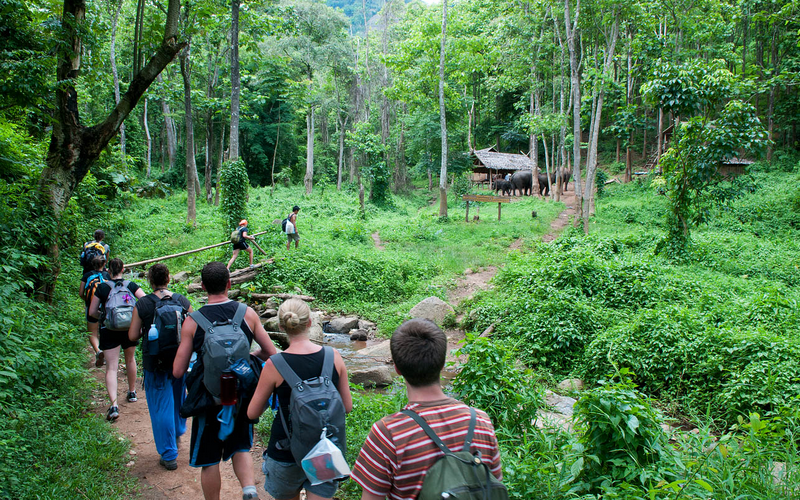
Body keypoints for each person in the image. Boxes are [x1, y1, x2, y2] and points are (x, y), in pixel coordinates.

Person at [351, 319, 503, 500]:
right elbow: (495, 486)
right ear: (443, 363)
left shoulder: (387, 433)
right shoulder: (481, 421)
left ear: (397, 369)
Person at [173, 262, 279, 500]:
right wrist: (248, 357)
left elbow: (178, 371)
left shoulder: (193, 321)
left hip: (209, 398)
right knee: (241, 446)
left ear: (203, 287)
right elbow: (271, 352)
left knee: (209, 460)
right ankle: (250, 490)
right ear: (229, 283)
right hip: (241, 395)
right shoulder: (247, 314)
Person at [247, 298, 353, 500]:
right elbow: (346, 407)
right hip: (325, 449)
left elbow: (252, 412)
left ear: (280, 327)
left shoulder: (274, 364)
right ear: (310, 323)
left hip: (285, 450)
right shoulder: (334, 356)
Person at [128, 264, 192, 471]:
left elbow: (132, 336)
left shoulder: (144, 304)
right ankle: (178, 429)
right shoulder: (182, 300)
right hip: (179, 360)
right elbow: (195, 326)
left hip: (154, 363)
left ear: (150, 281)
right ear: (169, 278)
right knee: (177, 398)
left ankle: (169, 454)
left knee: (160, 406)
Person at [89, 258, 145, 421]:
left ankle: (114, 405)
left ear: (108, 270)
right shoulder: (131, 285)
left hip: (109, 329)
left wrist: (105, 316)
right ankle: (132, 391)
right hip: (130, 328)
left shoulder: (102, 287)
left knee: (112, 367)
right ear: (123, 269)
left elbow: (92, 311)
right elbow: (145, 300)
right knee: (130, 359)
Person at [79, 255, 109, 367]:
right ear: (104, 264)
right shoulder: (108, 276)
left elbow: (81, 293)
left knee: (92, 333)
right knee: (104, 331)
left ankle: (98, 351)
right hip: (105, 309)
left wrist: (88, 301)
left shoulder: (86, 276)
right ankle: (106, 353)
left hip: (91, 307)